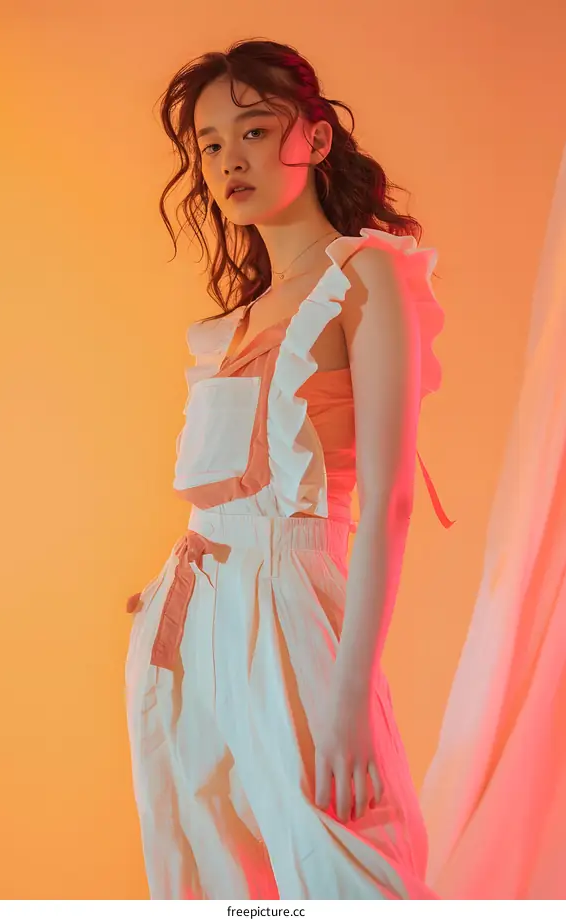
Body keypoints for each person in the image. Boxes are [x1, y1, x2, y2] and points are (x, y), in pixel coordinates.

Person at [124, 38, 453, 900]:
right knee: (213, 875)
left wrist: (348, 699)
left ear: (316, 136)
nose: (230, 159)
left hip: (293, 612)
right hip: (189, 623)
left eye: (256, 131)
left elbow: (387, 502)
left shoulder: (364, 280)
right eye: (209, 143)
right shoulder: (236, 320)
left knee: (344, 869)